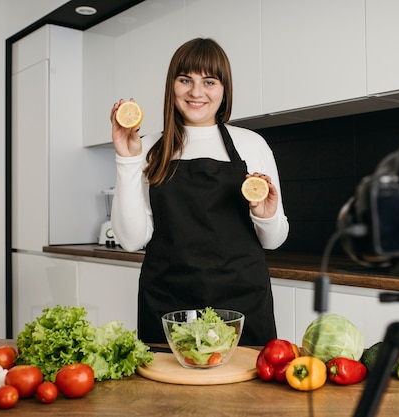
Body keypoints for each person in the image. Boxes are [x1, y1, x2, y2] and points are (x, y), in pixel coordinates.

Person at [109, 38, 289, 346]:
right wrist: (127, 159)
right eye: (185, 80)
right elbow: (130, 240)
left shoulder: (251, 145)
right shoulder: (149, 146)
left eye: (209, 81)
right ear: (172, 86)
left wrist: (266, 215)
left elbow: (274, 240)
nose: (196, 92)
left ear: (224, 89)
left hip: (241, 304)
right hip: (168, 305)